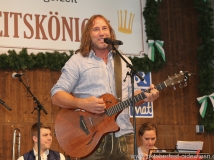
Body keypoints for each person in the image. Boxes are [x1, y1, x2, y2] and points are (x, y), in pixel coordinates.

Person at [51, 14, 159, 160]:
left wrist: (146, 97)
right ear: (88, 35)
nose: (101, 33)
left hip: (124, 138)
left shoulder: (124, 61)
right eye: (96, 29)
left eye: (104, 28)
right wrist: (83, 103)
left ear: (111, 33)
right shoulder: (78, 61)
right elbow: (56, 95)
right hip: (91, 142)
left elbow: (133, 96)